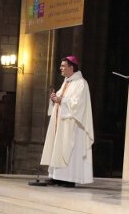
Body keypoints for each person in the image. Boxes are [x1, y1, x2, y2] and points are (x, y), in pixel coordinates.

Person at [38, 55, 94, 187]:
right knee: (58, 147)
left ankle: (69, 178)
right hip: (61, 123)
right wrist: (54, 99)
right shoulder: (66, 82)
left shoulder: (81, 83)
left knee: (69, 149)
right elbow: (61, 99)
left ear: (72, 67)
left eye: (63, 66)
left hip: (73, 125)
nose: (60, 68)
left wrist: (61, 100)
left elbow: (79, 104)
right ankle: (56, 176)